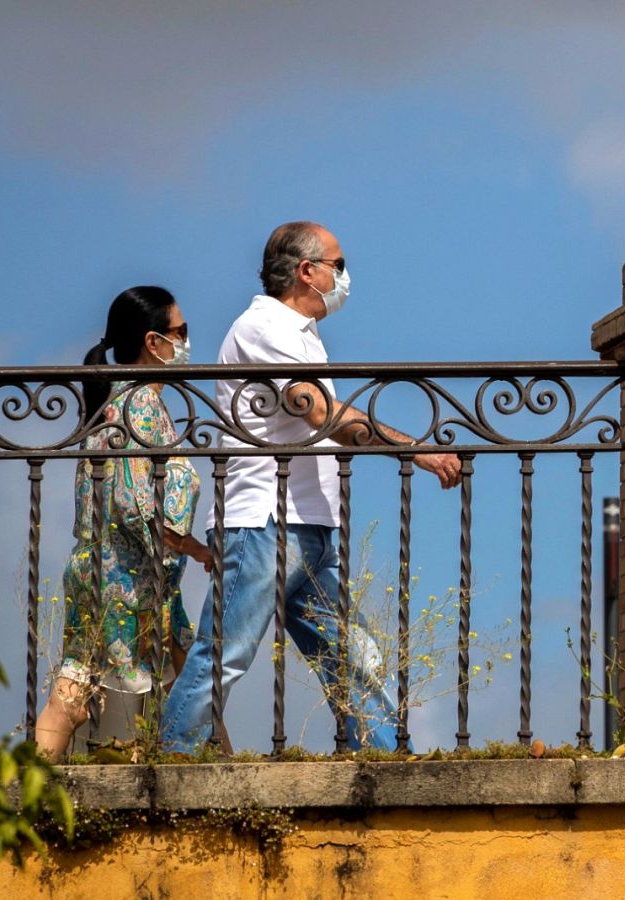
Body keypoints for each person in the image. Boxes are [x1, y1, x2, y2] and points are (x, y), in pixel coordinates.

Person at [161, 221, 461, 753]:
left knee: (349, 656)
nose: (345, 278)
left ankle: (387, 759)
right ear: (307, 271)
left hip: (305, 527)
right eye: (338, 266)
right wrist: (416, 449)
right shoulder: (265, 329)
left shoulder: (299, 332)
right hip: (263, 526)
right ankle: (167, 770)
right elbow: (323, 416)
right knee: (223, 654)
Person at [36, 286, 214, 760]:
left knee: (89, 687)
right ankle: (223, 795)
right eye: (181, 332)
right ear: (153, 342)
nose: (187, 342)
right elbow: (135, 500)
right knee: (188, 685)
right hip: (129, 579)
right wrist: (192, 547)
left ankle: (19, 799)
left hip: (109, 571)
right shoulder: (140, 405)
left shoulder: (113, 400)